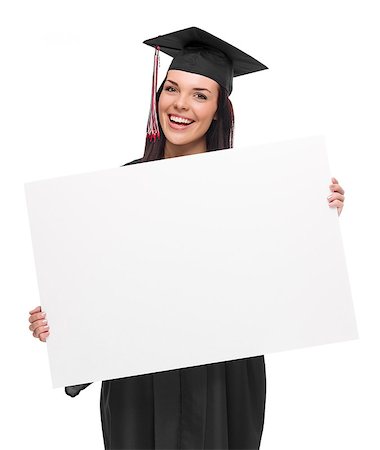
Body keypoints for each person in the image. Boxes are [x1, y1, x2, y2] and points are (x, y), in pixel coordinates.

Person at [28, 27, 346, 450]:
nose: (180, 105)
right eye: (172, 89)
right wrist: (60, 326)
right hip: (138, 378)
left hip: (222, 375)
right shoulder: (117, 191)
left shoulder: (254, 191)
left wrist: (316, 219)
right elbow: (97, 289)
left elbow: (281, 279)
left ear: (218, 111)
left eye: (200, 94)